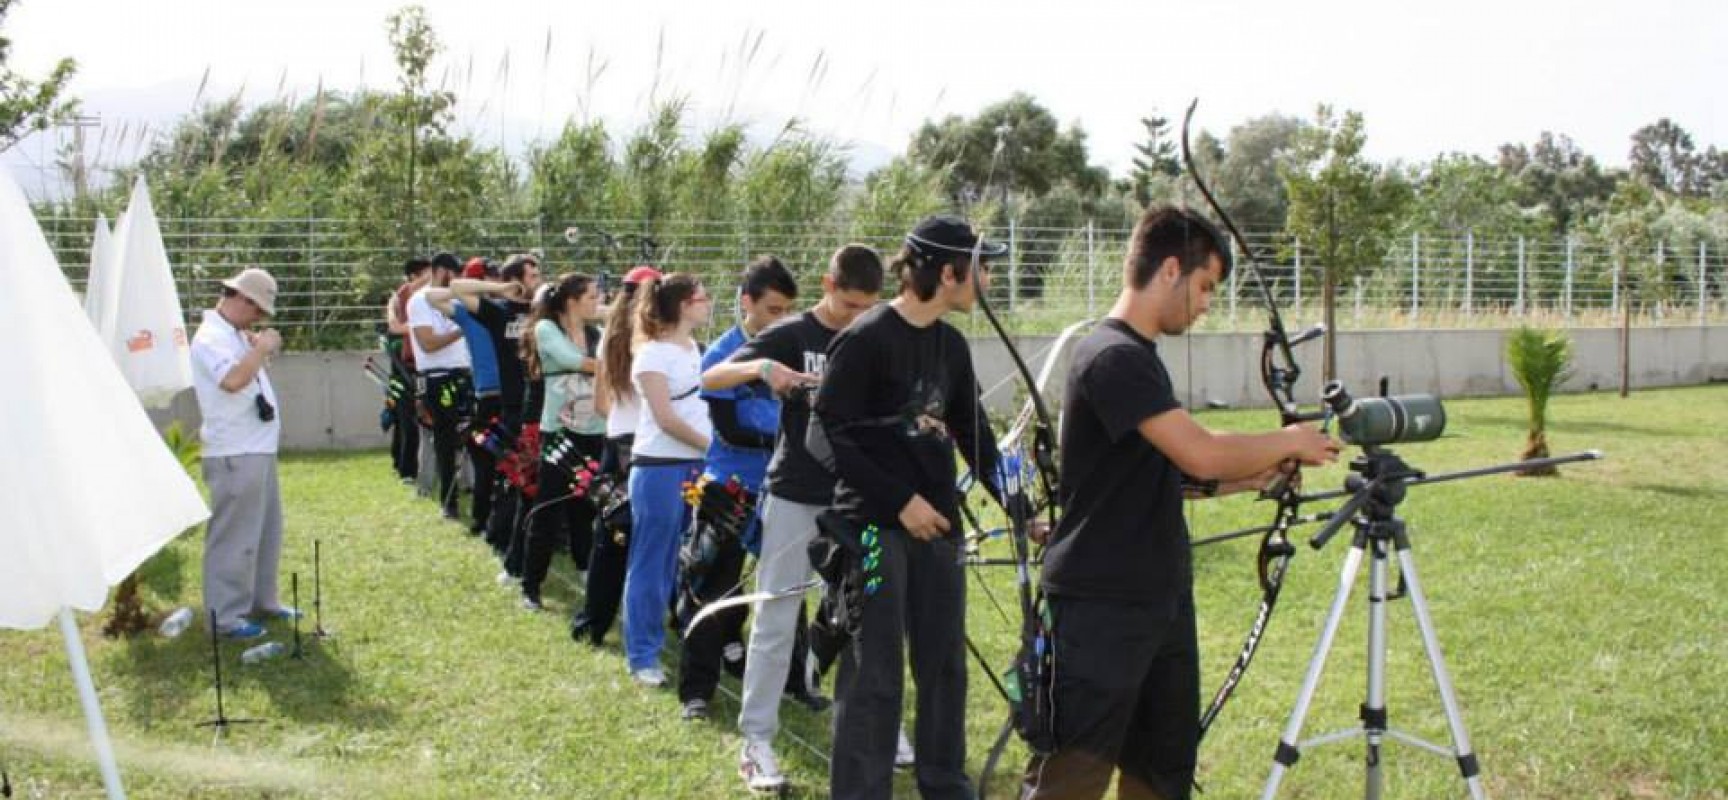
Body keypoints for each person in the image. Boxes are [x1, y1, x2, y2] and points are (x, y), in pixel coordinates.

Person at [1021, 206, 1340, 800]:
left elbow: (1157, 474)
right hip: (1101, 607)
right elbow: (1198, 452)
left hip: (1158, 599)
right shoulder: (1111, 355)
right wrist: (1292, 439)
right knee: (1071, 779)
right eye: (1205, 286)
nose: (1206, 303)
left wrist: (1254, 478)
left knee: (1160, 771)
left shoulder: (1140, 359)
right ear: (1170, 269)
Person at [814, 217, 1020, 800]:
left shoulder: (950, 345)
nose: (988, 279)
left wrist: (1018, 506)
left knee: (944, 665)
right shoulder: (867, 337)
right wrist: (900, 502)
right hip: (873, 530)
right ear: (949, 272)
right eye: (982, 267)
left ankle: (945, 784)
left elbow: (974, 433)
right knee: (875, 675)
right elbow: (834, 431)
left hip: (938, 531)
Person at [716, 244, 884, 793]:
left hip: (856, 499)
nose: (859, 316)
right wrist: (763, 367)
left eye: (869, 306)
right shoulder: (793, 333)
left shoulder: (877, 335)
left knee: (868, 618)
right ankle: (756, 741)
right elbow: (713, 375)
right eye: (850, 303)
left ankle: (873, 725)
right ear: (827, 284)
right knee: (775, 618)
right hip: (794, 494)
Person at [676, 256, 799, 722]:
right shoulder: (723, 357)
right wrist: (789, 437)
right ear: (746, 303)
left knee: (785, 588)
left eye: (788, 309)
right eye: (772, 309)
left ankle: (793, 682)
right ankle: (697, 693)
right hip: (730, 488)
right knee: (711, 588)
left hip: (782, 488)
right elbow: (729, 430)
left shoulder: (791, 349)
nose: (781, 319)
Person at [189, 267, 295, 639]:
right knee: (234, 537)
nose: (260, 318)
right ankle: (225, 617)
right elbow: (233, 380)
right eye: (258, 310)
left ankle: (262, 601)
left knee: (265, 530)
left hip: (256, 447)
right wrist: (262, 349)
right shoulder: (209, 339)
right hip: (235, 450)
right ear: (241, 298)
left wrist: (256, 349)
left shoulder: (233, 334)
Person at [621, 273, 713, 688]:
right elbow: (666, 418)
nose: (707, 302)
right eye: (701, 297)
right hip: (660, 467)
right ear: (681, 305)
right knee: (651, 563)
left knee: (684, 558)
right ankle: (642, 653)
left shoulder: (696, 349)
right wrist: (711, 448)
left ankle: (674, 632)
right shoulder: (652, 355)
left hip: (694, 466)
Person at [568, 264, 661, 645]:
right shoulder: (655, 341)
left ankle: (595, 621)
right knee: (651, 539)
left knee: (611, 539)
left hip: (617, 443)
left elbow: (602, 403)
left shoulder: (609, 336)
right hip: (649, 448)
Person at [445, 253, 543, 556]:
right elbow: (457, 286)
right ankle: (501, 538)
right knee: (514, 478)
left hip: (546, 404)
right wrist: (501, 290)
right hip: (514, 404)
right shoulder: (498, 312)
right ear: (516, 280)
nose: (538, 280)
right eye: (532, 276)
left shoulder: (545, 312)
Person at [519, 274, 604, 611]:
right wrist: (615, 367)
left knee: (586, 507)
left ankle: (586, 568)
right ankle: (530, 585)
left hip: (596, 429)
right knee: (548, 509)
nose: (597, 303)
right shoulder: (546, 330)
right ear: (572, 301)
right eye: (592, 297)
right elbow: (572, 361)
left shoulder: (595, 334)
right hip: (559, 430)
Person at [430, 257, 502, 535]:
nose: (495, 281)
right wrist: (466, 290)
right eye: (488, 277)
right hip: (486, 393)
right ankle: (482, 520)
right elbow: (434, 297)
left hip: (514, 393)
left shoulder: (505, 309)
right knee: (484, 459)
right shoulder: (466, 312)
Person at [407, 252, 472, 520]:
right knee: (445, 442)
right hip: (437, 378)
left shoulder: (455, 298)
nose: (454, 279)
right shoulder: (420, 300)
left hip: (464, 374)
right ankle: (449, 500)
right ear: (437, 271)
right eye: (450, 273)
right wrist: (463, 329)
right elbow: (428, 343)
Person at [385, 256, 432, 483]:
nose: (430, 278)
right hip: (406, 363)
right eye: (426, 273)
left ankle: (408, 465)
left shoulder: (426, 295)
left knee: (412, 416)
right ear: (414, 276)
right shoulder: (404, 294)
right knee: (406, 415)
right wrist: (419, 329)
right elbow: (395, 326)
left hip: (421, 362)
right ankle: (406, 468)